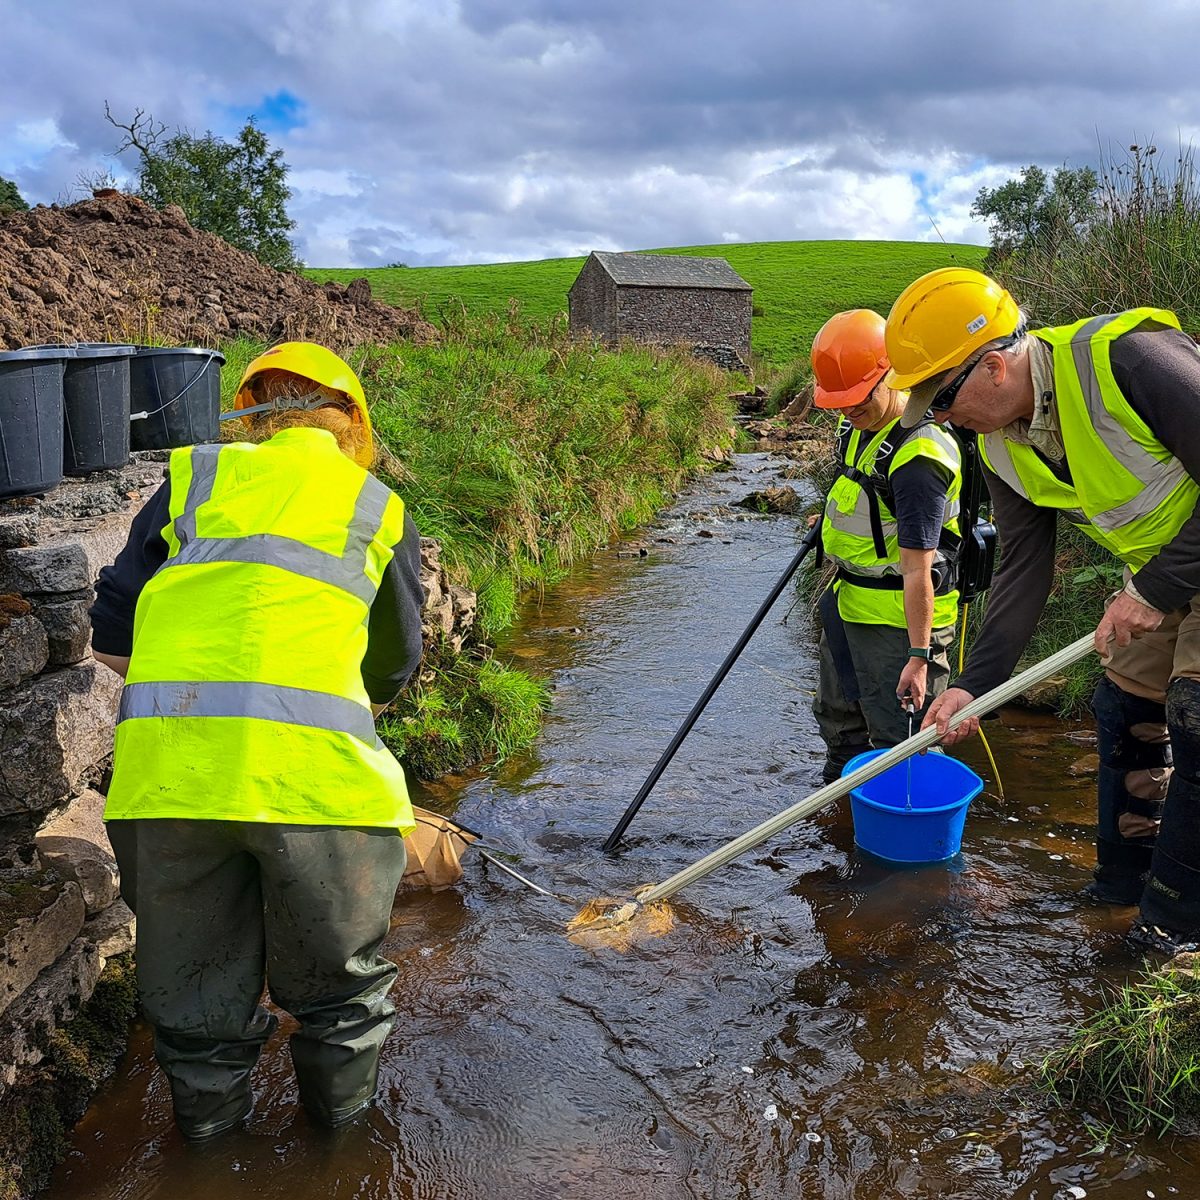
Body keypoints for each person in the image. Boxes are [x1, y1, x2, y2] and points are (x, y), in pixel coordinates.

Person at [89, 341, 426, 1138]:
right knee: (341, 1004)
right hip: (319, 792)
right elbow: (392, 668)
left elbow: (109, 637)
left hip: (168, 790)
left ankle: (205, 1163)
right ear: (352, 426)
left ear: (251, 412)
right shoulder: (374, 506)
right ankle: (339, 1157)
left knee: (195, 1014)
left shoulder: (191, 479)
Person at [885, 267, 1200, 955]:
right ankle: (1121, 890)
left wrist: (1153, 590)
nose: (940, 421)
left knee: (1194, 718)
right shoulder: (1000, 444)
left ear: (993, 366)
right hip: (1161, 571)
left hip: (1178, 565)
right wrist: (976, 684)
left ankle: (1175, 929)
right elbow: (1023, 570)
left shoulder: (1132, 362)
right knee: (1123, 712)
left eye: (941, 401)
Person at [808, 309, 964, 784]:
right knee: (842, 729)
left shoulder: (920, 457)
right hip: (851, 604)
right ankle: (837, 816)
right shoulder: (857, 428)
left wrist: (919, 658)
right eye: (838, 402)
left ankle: (899, 855)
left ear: (892, 377)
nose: (847, 411)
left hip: (901, 622)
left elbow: (918, 570)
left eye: (857, 398)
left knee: (900, 750)